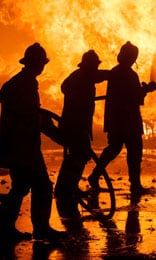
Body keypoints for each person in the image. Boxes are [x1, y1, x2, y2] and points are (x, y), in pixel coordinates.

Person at [0, 43, 65, 243]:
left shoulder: (25, 82)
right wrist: (54, 131)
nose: (42, 67)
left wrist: (40, 119)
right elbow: (27, 112)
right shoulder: (22, 83)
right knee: (41, 185)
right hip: (22, 146)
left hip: (22, 145)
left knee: (22, 186)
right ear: (33, 63)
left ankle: (9, 229)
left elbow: (31, 112)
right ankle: (39, 229)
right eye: (40, 63)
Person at [88, 41, 156, 200]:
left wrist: (143, 90)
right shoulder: (129, 74)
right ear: (132, 58)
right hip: (129, 120)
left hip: (115, 119)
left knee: (114, 147)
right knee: (134, 151)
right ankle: (135, 185)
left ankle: (95, 174)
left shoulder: (115, 71)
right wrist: (146, 89)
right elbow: (135, 98)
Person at [54, 50, 109, 221]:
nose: (97, 68)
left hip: (78, 123)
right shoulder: (80, 78)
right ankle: (65, 188)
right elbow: (69, 88)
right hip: (74, 124)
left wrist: (114, 74)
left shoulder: (83, 77)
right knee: (80, 154)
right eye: (95, 65)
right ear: (90, 66)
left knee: (77, 155)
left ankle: (68, 186)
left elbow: (101, 75)